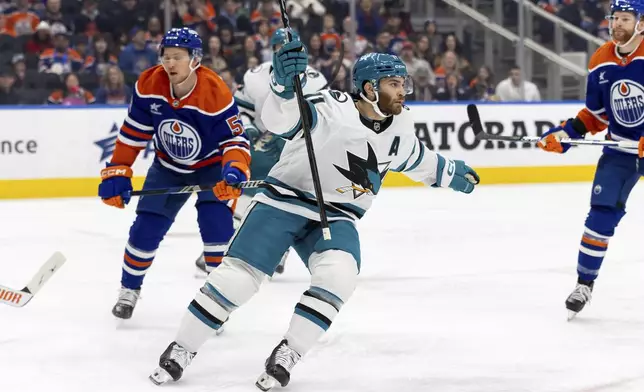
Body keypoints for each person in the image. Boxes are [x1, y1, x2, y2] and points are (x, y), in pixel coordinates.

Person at [148, 37, 479, 389]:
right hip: (283, 202)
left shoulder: (401, 126)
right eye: (394, 84)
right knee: (238, 278)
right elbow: (280, 120)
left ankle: (288, 352)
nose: (402, 92)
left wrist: (451, 172)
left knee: (340, 276)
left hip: (337, 216)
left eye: (402, 84)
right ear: (369, 88)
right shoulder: (331, 106)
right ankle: (182, 347)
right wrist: (282, 86)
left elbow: (418, 159)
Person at [97, 27, 251, 320]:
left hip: (211, 168)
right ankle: (129, 290)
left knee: (217, 232)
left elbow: (235, 142)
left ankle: (216, 303)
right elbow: (133, 133)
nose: (170, 64)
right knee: (144, 229)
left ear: (195, 59)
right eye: (166, 57)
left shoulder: (215, 92)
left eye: (178, 57)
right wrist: (118, 170)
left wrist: (234, 169)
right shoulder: (149, 83)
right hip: (168, 167)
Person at [537, 0, 644, 320]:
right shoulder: (600, 60)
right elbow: (595, 116)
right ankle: (584, 284)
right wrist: (565, 134)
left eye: (625, 19)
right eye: (615, 18)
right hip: (621, 150)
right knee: (600, 215)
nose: (617, 24)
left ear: (641, 23)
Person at [194, 27, 328, 276]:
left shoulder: (316, 80)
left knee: (290, 199)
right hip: (261, 145)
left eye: (288, 48)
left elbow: (323, 119)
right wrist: (248, 130)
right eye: (279, 48)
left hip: (295, 146)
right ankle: (222, 247)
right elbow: (240, 108)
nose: (283, 53)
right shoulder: (255, 76)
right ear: (272, 49)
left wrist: (297, 136)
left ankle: (280, 250)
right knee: (244, 194)